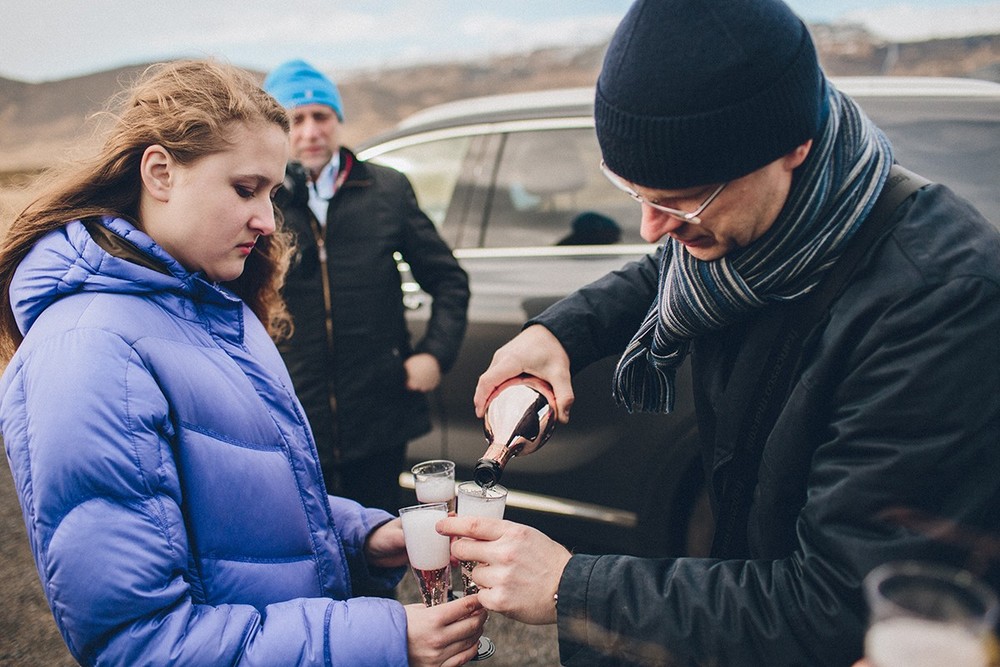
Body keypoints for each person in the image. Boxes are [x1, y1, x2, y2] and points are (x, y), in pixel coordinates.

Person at [438, 0, 1000, 665]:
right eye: (635, 192)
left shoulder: (939, 303)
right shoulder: (764, 229)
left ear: (794, 145)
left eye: (683, 199)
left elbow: (839, 605)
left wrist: (570, 586)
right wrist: (560, 333)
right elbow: (663, 270)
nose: (651, 227)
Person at [0, 59, 485, 667]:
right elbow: (140, 642)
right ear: (160, 173)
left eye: (273, 193)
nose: (267, 220)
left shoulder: (212, 306)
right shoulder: (89, 352)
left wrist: (361, 538)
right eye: (244, 189)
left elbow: (239, 507)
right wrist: (384, 639)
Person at [262, 60, 470, 512]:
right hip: (295, 413)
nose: (311, 131)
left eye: (321, 116)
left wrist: (434, 353)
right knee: (310, 536)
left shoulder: (385, 190)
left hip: (378, 414)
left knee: (378, 535)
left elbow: (449, 280)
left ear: (337, 120)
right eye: (296, 119)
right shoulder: (263, 200)